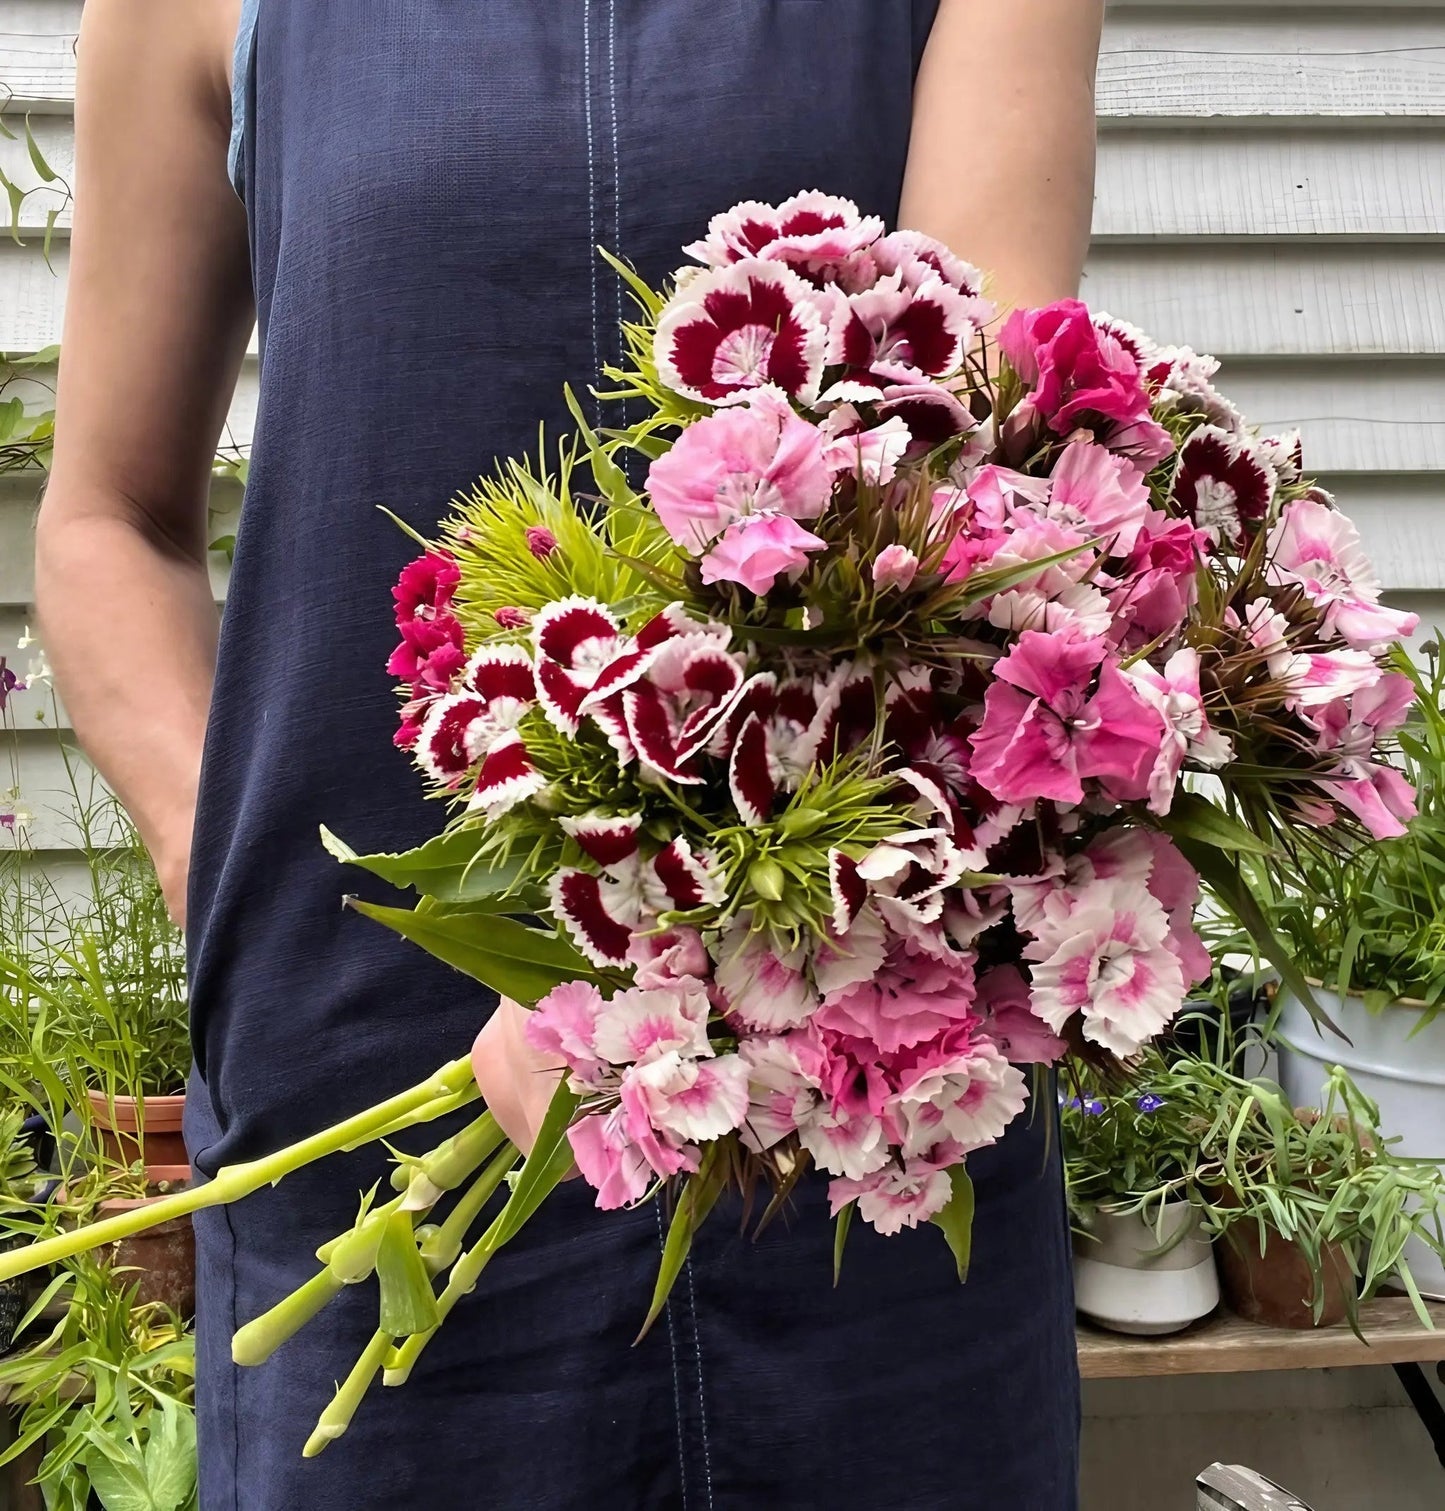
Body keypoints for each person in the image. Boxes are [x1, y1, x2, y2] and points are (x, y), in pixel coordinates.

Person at [37, 2, 1105, 1506]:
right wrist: (210, 866)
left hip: (849, 1041)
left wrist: (680, 975)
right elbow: (107, 524)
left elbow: (964, 494)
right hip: (356, 1054)